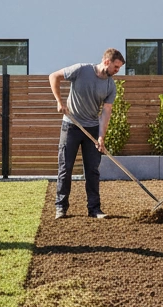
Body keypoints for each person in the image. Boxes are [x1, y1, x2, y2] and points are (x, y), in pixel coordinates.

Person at [49, 48, 124, 220]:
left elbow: (106, 112)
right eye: (116, 67)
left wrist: (101, 136)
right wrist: (59, 101)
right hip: (71, 126)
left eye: (119, 68)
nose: (117, 71)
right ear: (106, 62)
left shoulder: (110, 86)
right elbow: (53, 76)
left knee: (92, 170)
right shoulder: (81, 70)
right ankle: (61, 207)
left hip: (92, 128)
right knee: (65, 168)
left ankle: (94, 209)